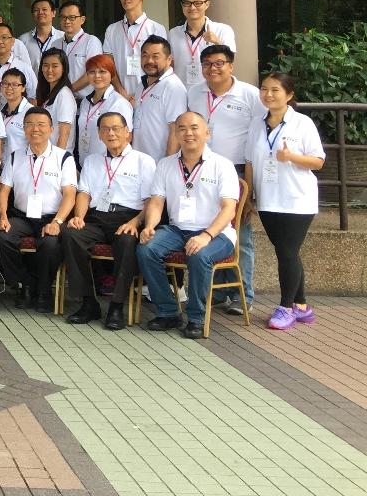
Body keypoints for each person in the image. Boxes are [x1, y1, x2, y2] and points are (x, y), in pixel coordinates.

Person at [137, 111, 240, 339]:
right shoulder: (165, 164)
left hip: (217, 233)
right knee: (147, 249)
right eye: (181, 128)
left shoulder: (222, 165)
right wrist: (150, 226)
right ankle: (168, 311)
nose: (188, 133)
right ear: (176, 133)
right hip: (176, 229)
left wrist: (206, 235)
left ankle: (196, 318)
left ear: (207, 132)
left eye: (194, 127)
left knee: (199, 255)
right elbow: (156, 201)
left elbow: (228, 209)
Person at [187, 44, 264, 313]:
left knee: (239, 234)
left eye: (219, 63)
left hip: (237, 170)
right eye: (207, 63)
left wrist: (251, 187)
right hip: (201, 169)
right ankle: (218, 292)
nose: (213, 68)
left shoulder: (250, 95)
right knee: (208, 226)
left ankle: (244, 295)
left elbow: (257, 140)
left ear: (231, 65)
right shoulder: (195, 93)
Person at [61, 112, 155, 330]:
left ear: (127, 132)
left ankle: (116, 306)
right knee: (71, 234)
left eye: (115, 128)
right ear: (99, 134)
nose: (110, 133)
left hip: (130, 217)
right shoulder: (93, 160)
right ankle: (88, 302)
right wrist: (79, 217)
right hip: (97, 216)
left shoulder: (144, 161)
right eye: (105, 129)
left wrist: (136, 222)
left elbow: (151, 200)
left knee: (127, 241)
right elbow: (84, 194)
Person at [247, 73, 325, 330]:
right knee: (286, 252)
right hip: (268, 200)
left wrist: (292, 157)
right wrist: (249, 197)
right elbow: (249, 162)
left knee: (287, 252)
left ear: (289, 95)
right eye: (264, 89)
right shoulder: (257, 124)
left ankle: (286, 307)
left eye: (275, 90)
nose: (268, 94)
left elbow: (318, 161)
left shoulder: (302, 124)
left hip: (296, 199)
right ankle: (302, 305)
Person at [0, 107, 78, 312]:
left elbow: (70, 195)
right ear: (24, 129)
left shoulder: (64, 158)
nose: (35, 129)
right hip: (22, 217)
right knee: (0, 236)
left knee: (50, 245)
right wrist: (3, 217)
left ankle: (43, 290)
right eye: (30, 124)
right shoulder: (15, 157)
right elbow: (4, 191)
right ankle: (25, 283)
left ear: (51, 129)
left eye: (41, 124)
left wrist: (57, 222)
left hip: (52, 217)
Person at [102, 0, 167, 98]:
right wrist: (120, 91)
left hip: (150, 93)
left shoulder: (156, 28)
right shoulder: (112, 29)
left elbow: (162, 64)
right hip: (120, 94)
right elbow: (108, 63)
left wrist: (147, 91)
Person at [169, 0, 238, 88]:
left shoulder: (223, 30)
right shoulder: (173, 33)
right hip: (181, 92)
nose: (192, 7)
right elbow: (170, 65)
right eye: (187, 3)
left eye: (197, 3)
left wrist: (217, 43)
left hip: (211, 91)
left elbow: (230, 60)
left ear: (207, 4)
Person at [131, 36, 187, 160]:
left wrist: (166, 166)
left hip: (159, 163)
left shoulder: (173, 87)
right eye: (145, 56)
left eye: (156, 56)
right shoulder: (141, 85)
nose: (149, 61)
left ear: (169, 60)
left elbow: (176, 130)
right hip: (139, 161)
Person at [75, 55, 132, 161]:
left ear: (111, 74)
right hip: (85, 163)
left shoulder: (119, 103)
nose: (97, 76)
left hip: (107, 165)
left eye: (102, 71)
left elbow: (127, 137)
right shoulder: (85, 102)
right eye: (92, 72)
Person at [58, 0, 103, 92]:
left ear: (82, 20)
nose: (67, 21)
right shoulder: (55, 44)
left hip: (85, 100)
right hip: (61, 99)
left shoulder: (91, 41)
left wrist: (69, 91)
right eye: (63, 17)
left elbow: (93, 71)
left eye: (72, 17)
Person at [35, 49, 76, 150]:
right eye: (45, 65)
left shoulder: (64, 95)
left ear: (63, 68)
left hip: (57, 157)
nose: (49, 70)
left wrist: (57, 161)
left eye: (55, 66)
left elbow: (64, 134)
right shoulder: (48, 94)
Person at [19, 0, 64, 74]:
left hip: (57, 85)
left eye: (44, 9)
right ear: (33, 15)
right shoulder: (23, 40)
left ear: (53, 13)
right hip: (32, 85)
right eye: (36, 10)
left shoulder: (63, 37)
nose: (40, 12)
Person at [0, 68, 32, 160]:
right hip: (3, 167)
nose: (9, 88)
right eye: (5, 83)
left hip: (22, 166)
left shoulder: (31, 113)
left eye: (14, 84)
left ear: (23, 88)